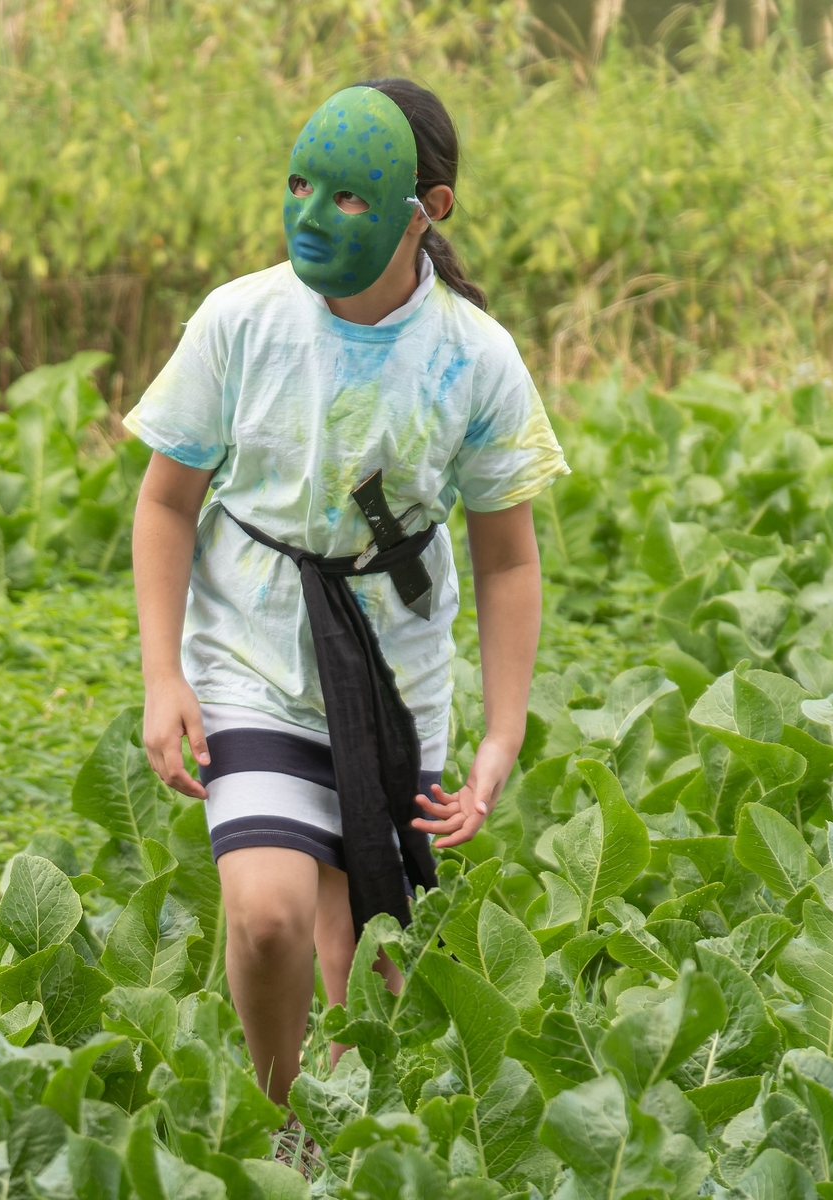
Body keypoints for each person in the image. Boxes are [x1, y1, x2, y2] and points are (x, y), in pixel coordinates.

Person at [127, 80, 567, 1101]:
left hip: (395, 685)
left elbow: (508, 558)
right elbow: (165, 504)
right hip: (253, 658)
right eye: (300, 185)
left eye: (353, 196)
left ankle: (349, 1137)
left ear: (429, 209)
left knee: (368, 965)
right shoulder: (241, 320)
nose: (315, 215)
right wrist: (162, 675)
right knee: (267, 915)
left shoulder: (475, 356)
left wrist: (502, 736)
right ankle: (277, 1124)